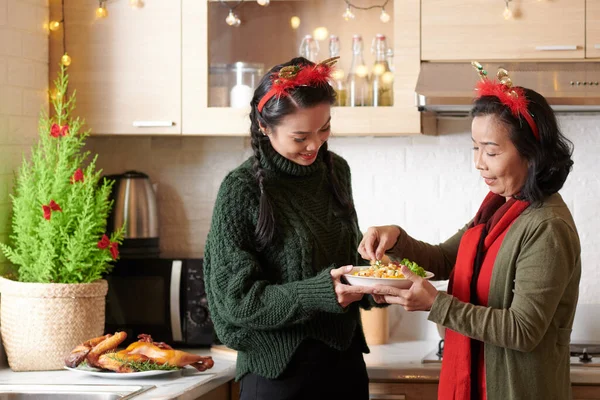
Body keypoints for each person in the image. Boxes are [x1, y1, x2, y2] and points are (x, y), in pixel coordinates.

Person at [357, 63, 581, 400]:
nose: (479, 162)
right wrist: (397, 238)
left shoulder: (546, 226)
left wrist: (437, 305)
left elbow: (523, 330)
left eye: (491, 151)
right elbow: (446, 258)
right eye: (475, 148)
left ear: (532, 153)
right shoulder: (498, 208)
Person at [204, 56, 379, 400]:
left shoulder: (336, 171)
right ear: (264, 126)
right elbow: (235, 302)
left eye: (324, 128)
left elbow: (347, 260)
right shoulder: (240, 190)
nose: (315, 145)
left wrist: (378, 280)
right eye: (300, 137)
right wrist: (323, 292)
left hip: (345, 370)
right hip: (278, 377)